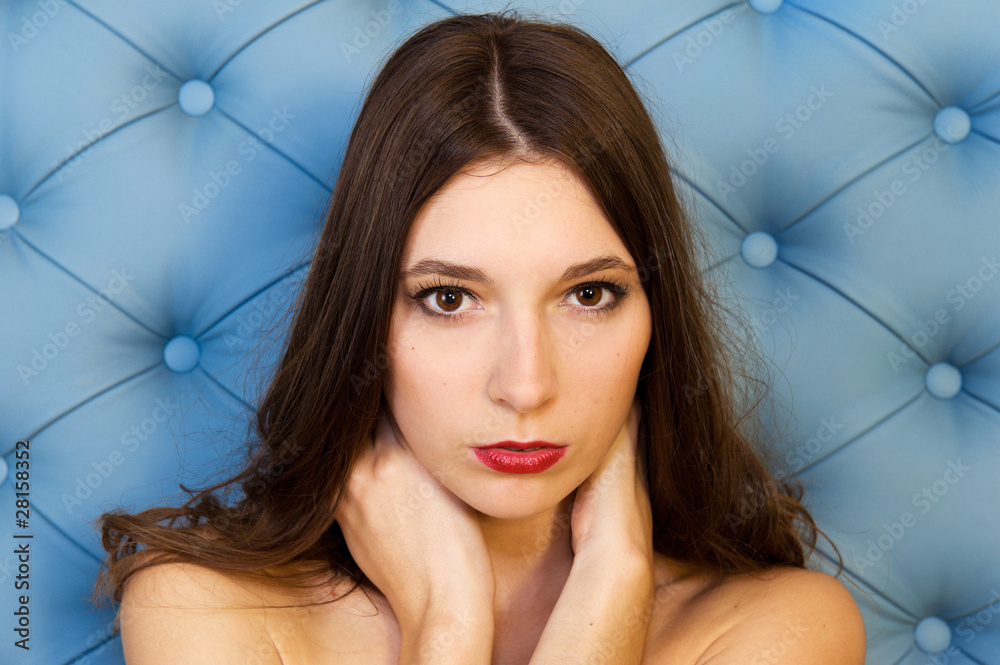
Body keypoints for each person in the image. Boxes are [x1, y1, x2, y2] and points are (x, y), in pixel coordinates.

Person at [92, 9, 866, 664]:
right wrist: (447, 616)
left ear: (655, 316)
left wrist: (615, 584)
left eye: (588, 294)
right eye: (449, 298)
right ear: (366, 320)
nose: (526, 385)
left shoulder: (781, 629)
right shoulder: (204, 612)